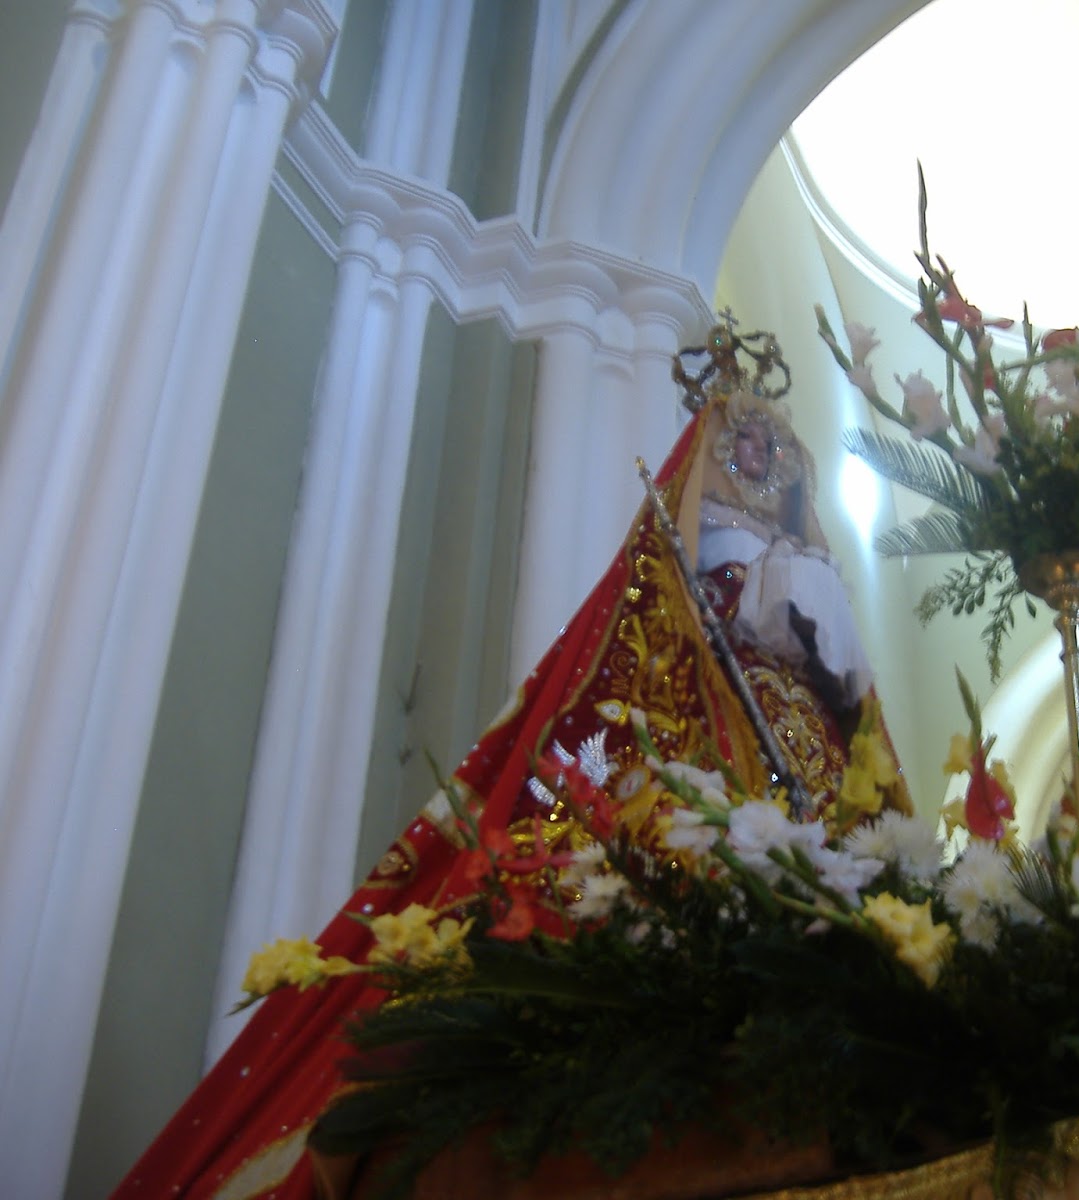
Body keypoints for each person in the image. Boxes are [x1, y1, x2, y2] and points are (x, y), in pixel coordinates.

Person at [112, 322, 910, 1200]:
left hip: (802, 748)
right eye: (743, 440)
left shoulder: (805, 564)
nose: (756, 453)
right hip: (713, 718)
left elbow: (846, 680)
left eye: (769, 445)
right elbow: (661, 624)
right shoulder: (689, 566)